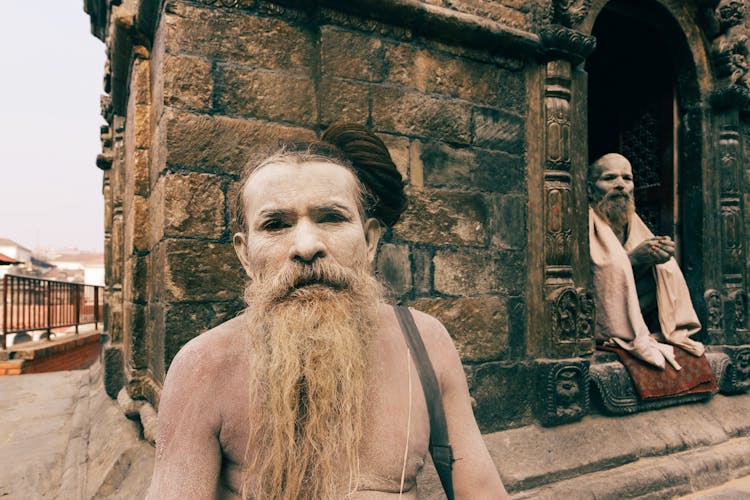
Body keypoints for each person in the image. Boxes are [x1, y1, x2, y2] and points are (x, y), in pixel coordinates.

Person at [146, 123, 508, 499]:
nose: (306, 245)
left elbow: (482, 491)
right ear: (244, 253)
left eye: (332, 217)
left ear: (369, 240)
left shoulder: (424, 344)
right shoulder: (203, 367)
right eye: (275, 224)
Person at [588, 153, 705, 370]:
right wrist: (633, 259)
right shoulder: (585, 221)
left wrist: (656, 256)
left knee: (665, 268)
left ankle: (663, 329)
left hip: (631, 306)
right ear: (590, 189)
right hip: (598, 309)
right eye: (610, 178)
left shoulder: (631, 220)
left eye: (627, 178)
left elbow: (637, 272)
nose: (620, 185)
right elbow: (595, 276)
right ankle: (624, 333)